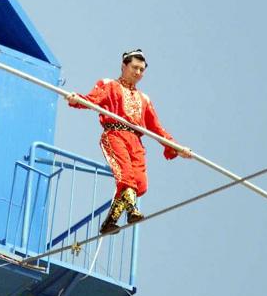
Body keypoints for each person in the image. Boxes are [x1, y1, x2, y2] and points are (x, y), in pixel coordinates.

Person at [66, 49, 191, 235]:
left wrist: (176, 147)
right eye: (134, 67)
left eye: (142, 69)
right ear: (124, 66)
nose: (138, 73)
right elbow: (92, 100)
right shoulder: (109, 85)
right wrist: (76, 99)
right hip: (115, 134)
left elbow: (157, 128)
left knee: (140, 183)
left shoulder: (144, 99)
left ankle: (110, 222)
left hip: (136, 141)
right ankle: (132, 210)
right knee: (126, 177)